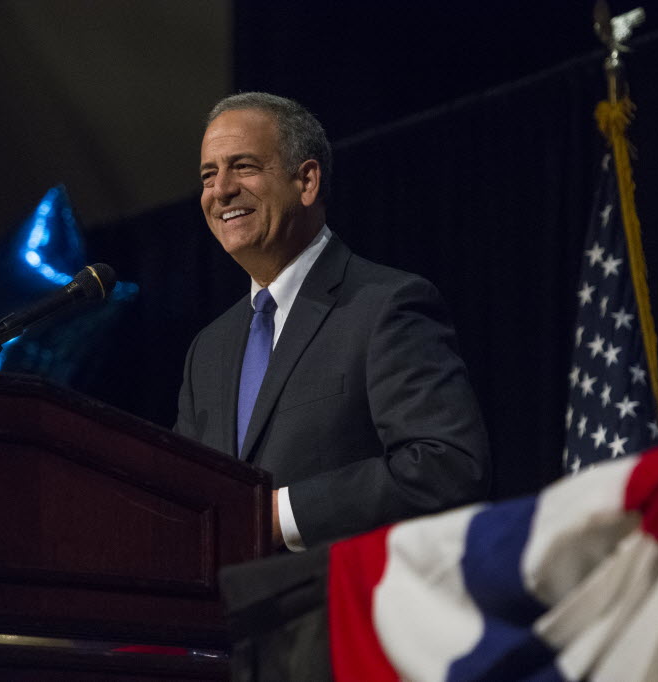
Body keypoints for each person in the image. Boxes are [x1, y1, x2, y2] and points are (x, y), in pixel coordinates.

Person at [175, 92, 490, 550]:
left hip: (338, 611)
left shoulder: (386, 305)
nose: (221, 190)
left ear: (306, 181)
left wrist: (276, 514)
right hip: (223, 619)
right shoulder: (208, 349)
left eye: (243, 167)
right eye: (209, 174)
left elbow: (447, 466)